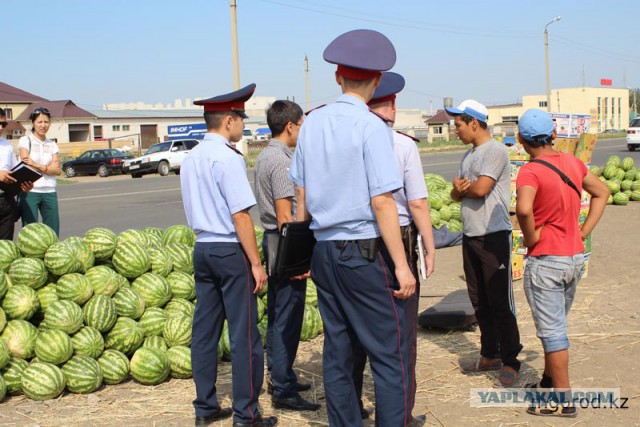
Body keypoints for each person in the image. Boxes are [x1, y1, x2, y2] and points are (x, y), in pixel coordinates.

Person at [289, 29, 416, 426]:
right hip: (364, 252)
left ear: (337, 77)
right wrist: (401, 265)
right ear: (377, 80)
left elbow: (301, 195)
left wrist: (302, 249)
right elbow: (382, 202)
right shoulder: (371, 127)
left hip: (325, 250)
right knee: (389, 356)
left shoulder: (311, 123)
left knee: (339, 353)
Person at [181, 84, 277, 427]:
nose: (242, 126)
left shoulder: (191, 158)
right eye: (240, 119)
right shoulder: (227, 157)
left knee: (205, 332)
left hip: (202, 248)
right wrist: (255, 263)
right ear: (228, 120)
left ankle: (205, 407)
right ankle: (246, 414)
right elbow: (240, 216)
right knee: (245, 335)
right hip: (228, 250)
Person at [352, 71, 436, 426]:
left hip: (352, 245)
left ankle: (353, 408)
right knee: (401, 338)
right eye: (391, 101)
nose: (395, 107)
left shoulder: (348, 138)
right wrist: (429, 246)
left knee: (355, 337)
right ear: (384, 104)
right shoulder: (402, 145)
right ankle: (400, 415)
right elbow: (417, 203)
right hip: (396, 243)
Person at [515, 109, 609, 417]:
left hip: (546, 261)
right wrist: (583, 231)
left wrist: (529, 239)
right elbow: (602, 192)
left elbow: (524, 209)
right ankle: (548, 380)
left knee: (553, 332)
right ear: (554, 135)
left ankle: (562, 401)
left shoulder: (530, 171)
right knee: (555, 324)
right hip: (573, 258)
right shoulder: (573, 163)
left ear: (521, 140)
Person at [447, 99, 522, 387]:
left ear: (474, 123)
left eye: (458, 125)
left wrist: (463, 188)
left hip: (493, 236)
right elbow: (457, 194)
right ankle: (490, 353)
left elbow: (479, 189)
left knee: (500, 300)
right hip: (471, 235)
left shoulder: (495, 151)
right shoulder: (468, 156)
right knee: (479, 300)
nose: (456, 131)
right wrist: (459, 189)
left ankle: (512, 360)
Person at [254, 100, 320, 412]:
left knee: (283, 314)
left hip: (274, 241)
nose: (302, 131)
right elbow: (284, 214)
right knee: (286, 319)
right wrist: (295, 260)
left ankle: (284, 375)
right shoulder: (281, 161)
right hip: (283, 241)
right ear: (291, 126)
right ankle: (283, 389)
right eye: (301, 125)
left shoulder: (265, 155)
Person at [18, 107, 62, 236]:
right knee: (30, 232)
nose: (43, 125)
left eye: (46, 122)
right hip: (30, 190)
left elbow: (58, 170)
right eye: (39, 122)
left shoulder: (52, 144)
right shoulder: (25, 141)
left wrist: (38, 165)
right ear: (33, 123)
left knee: (53, 230)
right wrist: (48, 168)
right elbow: (26, 162)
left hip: (49, 191)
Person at [0, 108, 33, 240]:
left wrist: (24, 184)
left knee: (6, 247)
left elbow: (15, 171)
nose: (1, 127)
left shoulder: (7, 145)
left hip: (6, 201)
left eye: (3, 124)